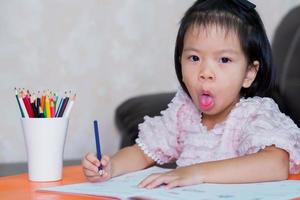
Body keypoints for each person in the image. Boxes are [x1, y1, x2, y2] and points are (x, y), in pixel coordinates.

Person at [82, 0, 300, 189]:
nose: (205, 73)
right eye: (194, 58)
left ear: (249, 73)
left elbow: (275, 164)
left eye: (224, 60)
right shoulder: (183, 113)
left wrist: (196, 173)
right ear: (180, 61)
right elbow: (142, 152)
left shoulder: (254, 114)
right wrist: (111, 166)